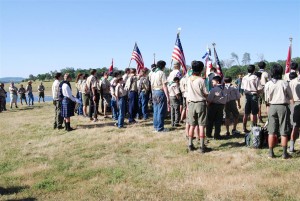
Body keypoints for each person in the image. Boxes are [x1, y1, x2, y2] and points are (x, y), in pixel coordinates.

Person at [264, 64, 293, 159]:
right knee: (284, 130)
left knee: (271, 131)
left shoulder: (268, 84)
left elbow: (266, 99)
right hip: (283, 106)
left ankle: (271, 153)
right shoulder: (284, 83)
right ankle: (284, 153)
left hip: (272, 106)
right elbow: (290, 95)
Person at [186, 61, 208, 152]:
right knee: (201, 125)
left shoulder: (188, 79)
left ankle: (190, 145)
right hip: (200, 103)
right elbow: (205, 93)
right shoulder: (201, 80)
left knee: (192, 125)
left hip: (191, 104)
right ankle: (202, 146)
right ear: (201, 69)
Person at [241, 65, 263, 133]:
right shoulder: (256, 77)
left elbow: (242, 87)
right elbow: (259, 88)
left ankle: (244, 128)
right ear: (254, 70)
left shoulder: (244, 78)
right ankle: (254, 127)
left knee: (246, 113)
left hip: (247, 95)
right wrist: (258, 93)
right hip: (254, 95)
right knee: (254, 113)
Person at [150, 60, 170, 132]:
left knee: (155, 110)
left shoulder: (152, 73)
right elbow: (164, 86)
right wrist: (167, 97)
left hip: (154, 91)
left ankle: (156, 126)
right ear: (163, 66)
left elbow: (151, 85)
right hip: (160, 91)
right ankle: (160, 128)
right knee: (161, 110)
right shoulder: (162, 73)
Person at [288, 67, 300, 153]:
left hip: (294, 104)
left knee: (295, 126)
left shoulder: (292, 82)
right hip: (295, 103)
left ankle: (291, 147)